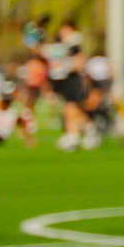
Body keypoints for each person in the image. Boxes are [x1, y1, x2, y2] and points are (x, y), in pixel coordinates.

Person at [43, 22, 89, 151]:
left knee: (70, 108)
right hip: (63, 80)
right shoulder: (61, 46)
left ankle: (74, 135)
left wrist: (64, 65)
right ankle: (80, 131)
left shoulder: (74, 45)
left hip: (72, 79)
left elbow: (79, 63)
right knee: (70, 109)